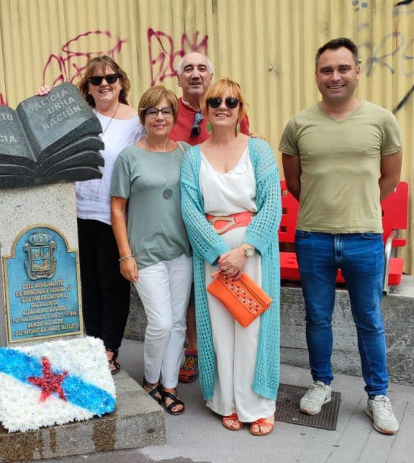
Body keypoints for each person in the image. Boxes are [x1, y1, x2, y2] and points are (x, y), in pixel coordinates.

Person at [280, 37, 402, 435]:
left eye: (342, 68)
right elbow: (295, 182)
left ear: (357, 71)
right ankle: (322, 384)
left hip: (364, 239)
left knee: (369, 320)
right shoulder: (299, 124)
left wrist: (359, 206)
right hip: (313, 238)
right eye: (327, 70)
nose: (335, 77)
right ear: (317, 75)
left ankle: (377, 397)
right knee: (318, 317)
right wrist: (325, 208)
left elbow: (390, 178)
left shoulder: (381, 120)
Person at [181, 78, 281, 436]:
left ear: (241, 109)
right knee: (220, 329)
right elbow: (190, 209)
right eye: (215, 101)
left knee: (252, 326)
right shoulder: (193, 156)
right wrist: (220, 254)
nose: (223, 106)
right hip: (213, 256)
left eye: (231, 101)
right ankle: (226, 402)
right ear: (205, 110)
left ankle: (256, 405)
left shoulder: (259, 150)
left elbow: (273, 205)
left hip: (252, 255)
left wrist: (245, 250)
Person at [37, 55, 142, 375]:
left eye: (110, 78)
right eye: (96, 80)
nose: (104, 84)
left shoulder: (136, 121)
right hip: (78, 212)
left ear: (121, 82)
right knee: (89, 285)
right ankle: (93, 344)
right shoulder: (80, 117)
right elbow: (45, 137)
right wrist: (45, 105)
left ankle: (110, 350)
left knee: (112, 286)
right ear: (88, 88)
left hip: (114, 215)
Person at [169, 52, 253, 385]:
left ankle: (229, 356)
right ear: (178, 79)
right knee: (191, 286)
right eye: (187, 69)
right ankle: (194, 350)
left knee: (221, 281)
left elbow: (244, 148)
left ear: (211, 75)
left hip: (220, 217)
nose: (195, 74)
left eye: (201, 68)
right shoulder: (167, 111)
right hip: (179, 210)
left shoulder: (226, 106)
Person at [111, 85, 192, 415]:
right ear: (143, 117)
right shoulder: (130, 156)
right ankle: (150, 380)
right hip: (144, 254)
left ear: (174, 116)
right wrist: (125, 255)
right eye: (152, 111)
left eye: (166, 111)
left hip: (181, 252)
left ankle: (169, 385)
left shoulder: (185, 152)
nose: (160, 117)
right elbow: (117, 209)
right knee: (160, 323)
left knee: (178, 325)